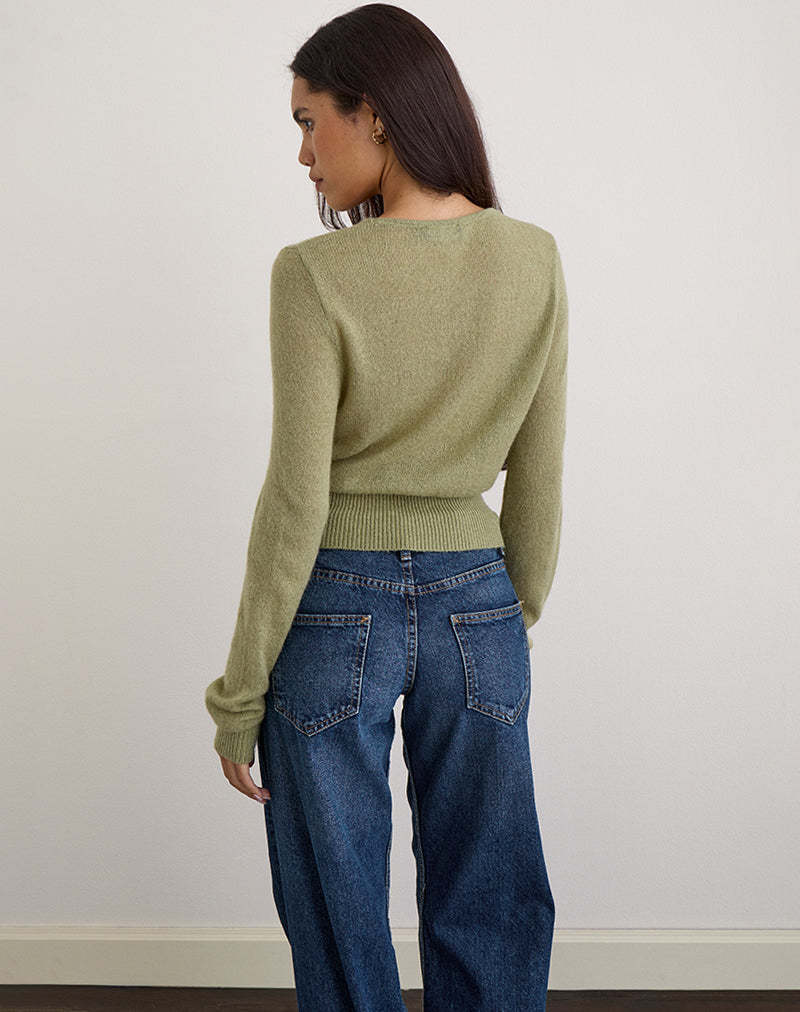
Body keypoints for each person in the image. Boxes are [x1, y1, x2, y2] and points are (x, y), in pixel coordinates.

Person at [204, 5, 567, 1010]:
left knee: (337, 900)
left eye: (308, 120)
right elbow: (538, 470)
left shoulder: (315, 274)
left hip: (333, 604)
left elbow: (297, 496)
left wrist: (240, 692)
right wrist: (509, 611)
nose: (302, 154)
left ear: (371, 112)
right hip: (478, 603)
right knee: (491, 891)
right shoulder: (532, 257)